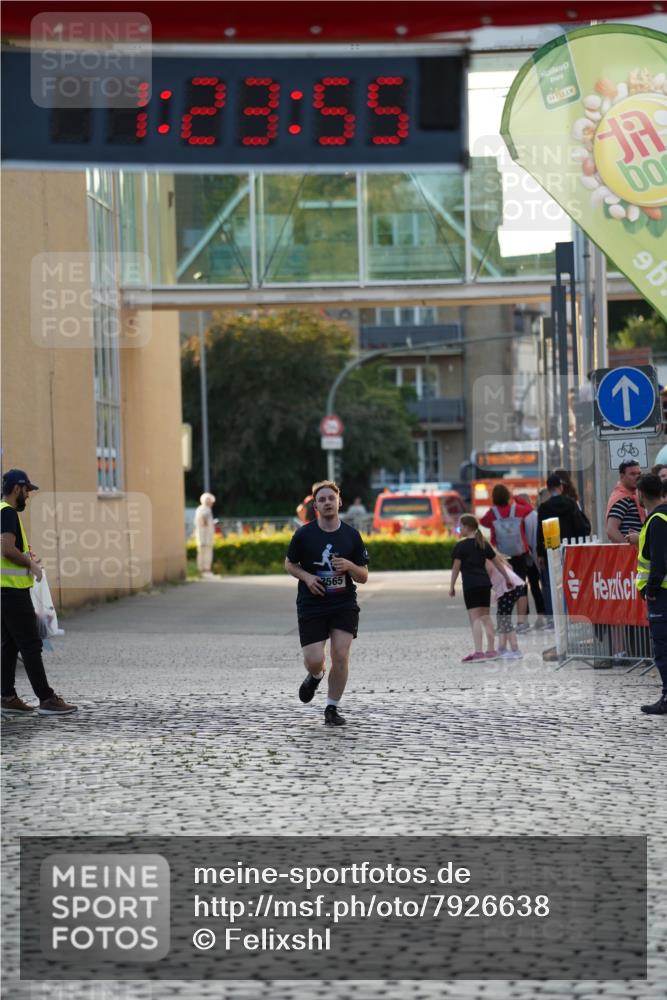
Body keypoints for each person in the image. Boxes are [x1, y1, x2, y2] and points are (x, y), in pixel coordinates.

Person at [285, 480, 368, 727]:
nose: (327, 502)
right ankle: (316, 675)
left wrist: (351, 566)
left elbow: (363, 576)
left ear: (339, 501)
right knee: (314, 659)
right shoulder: (304, 534)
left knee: (341, 655)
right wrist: (308, 577)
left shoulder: (351, 536)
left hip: (343, 603)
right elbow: (289, 564)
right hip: (312, 604)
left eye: (331, 498)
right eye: (321, 499)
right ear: (316, 505)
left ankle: (331, 708)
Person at [1, 469, 77, 716]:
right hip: (12, 592)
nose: (28, 496)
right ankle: (46, 698)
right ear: (17, 489)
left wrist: (26, 558)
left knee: (10, 644)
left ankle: (7, 697)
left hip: (5, 591)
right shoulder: (8, 512)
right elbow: (7, 549)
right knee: (31, 644)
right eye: (27, 491)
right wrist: (30, 564)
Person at [449, 514, 511, 662]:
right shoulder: (483, 544)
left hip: (471, 586)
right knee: (486, 617)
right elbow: (497, 563)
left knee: (475, 618)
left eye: (460, 526)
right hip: (485, 584)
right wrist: (507, 578)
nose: (459, 529)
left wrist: (451, 586)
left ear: (467, 527)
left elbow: (456, 569)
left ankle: (478, 652)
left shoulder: (460, 546)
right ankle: (491, 650)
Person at [536, 474, 591, 627]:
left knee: (554, 584)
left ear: (548, 489)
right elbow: (581, 526)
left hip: (551, 550)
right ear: (560, 487)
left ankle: (556, 617)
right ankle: (572, 614)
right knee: (571, 581)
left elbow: (540, 532)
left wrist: (540, 552)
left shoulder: (544, 507)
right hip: (571, 550)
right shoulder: (571, 503)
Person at [636, 474, 667, 715]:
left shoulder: (657, 520)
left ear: (641, 494)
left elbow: (658, 562)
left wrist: (651, 591)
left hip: (662, 596)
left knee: (663, 647)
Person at [479, 484, 531, 628]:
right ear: (508, 496)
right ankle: (522, 622)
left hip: (501, 556)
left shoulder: (492, 513)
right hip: (519, 553)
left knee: (503, 586)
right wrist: (516, 498)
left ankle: (504, 621)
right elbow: (529, 509)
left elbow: (482, 522)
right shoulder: (517, 510)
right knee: (521, 586)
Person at [486, 554, 527, 659]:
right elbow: (510, 568)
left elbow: (487, 576)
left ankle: (515, 649)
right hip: (512, 587)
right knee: (502, 617)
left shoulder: (486, 561)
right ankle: (502, 647)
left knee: (504, 618)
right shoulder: (495, 558)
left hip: (508, 589)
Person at [515, 493, 546, 630]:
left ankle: (523, 620)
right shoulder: (533, 515)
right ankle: (540, 616)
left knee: (521, 588)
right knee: (536, 587)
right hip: (532, 556)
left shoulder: (515, 515)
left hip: (518, 557)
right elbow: (535, 537)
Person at [606, 460, 645, 545]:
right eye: (633, 474)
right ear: (622, 476)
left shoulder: (634, 496)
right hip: (630, 554)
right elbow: (611, 530)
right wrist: (627, 549)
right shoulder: (622, 498)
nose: (637, 477)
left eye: (639, 473)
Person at [194, 492, 216, 576]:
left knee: (203, 552)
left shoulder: (201, 509)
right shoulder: (205, 510)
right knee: (205, 553)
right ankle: (205, 570)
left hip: (204, 537)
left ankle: (203, 570)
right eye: (210, 501)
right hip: (204, 537)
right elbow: (203, 522)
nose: (211, 503)